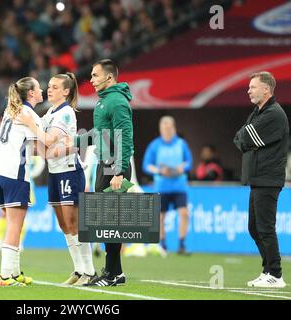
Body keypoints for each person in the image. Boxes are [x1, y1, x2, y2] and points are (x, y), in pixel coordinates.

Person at [50, 59, 133, 286]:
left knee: (112, 222)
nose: (91, 80)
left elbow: (125, 137)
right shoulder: (104, 101)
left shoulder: (116, 102)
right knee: (106, 222)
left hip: (114, 165)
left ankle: (113, 273)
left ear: (109, 77)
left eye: (95, 75)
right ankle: (114, 271)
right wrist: (76, 140)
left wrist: (119, 172)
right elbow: (100, 133)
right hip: (105, 163)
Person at [16, 73, 96, 286]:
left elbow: (48, 139)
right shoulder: (51, 112)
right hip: (55, 171)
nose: (49, 89)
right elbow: (41, 144)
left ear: (66, 91)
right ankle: (78, 270)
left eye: (54, 87)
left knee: (73, 223)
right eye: (48, 86)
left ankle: (89, 271)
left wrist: (33, 129)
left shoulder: (66, 112)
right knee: (63, 224)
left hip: (70, 170)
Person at [234, 71, 289, 288]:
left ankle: (275, 274)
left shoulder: (274, 114)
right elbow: (239, 138)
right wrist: (248, 141)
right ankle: (268, 270)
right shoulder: (258, 113)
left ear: (266, 89)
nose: (248, 90)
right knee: (254, 228)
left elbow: (245, 137)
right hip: (258, 178)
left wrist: (248, 141)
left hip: (267, 178)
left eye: (252, 87)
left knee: (265, 228)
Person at [0, 76, 44, 287]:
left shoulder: (10, 110)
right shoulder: (30, 115)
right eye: (39, 88)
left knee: (11, 222)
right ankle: (5, 276)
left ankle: (14, 272)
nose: (42, 90)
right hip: (14, 173)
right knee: (15, 225)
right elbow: (45, 144)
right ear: (31, 93)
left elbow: (26, 144)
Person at [143, 116, 193, 256]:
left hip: (179, 186)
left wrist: (181, 168)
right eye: (164, 127)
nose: (167, 130)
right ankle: (162, 244)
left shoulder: (181, 144)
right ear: (160, 129)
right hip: (161, 186)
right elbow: (146, 165)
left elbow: (188, 162)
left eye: (169, 127)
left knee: (184, 214)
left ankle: (182, 244)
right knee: (160, 217)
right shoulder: (155, 145)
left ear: (174, 127)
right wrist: (160, 171)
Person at [0, 155, 45, 252]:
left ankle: (19, 242)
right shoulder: (6, 143)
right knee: (2, 213)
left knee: (21, 215)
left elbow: (40, 163)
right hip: (7, 182)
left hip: (25, 183)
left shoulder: (30, 145)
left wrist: (31, 173)